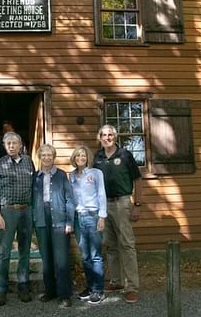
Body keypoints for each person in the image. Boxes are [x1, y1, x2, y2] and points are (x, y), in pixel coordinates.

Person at [93, 125, 144, 303]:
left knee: (127, 245)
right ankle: (116, 281)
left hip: (122, 203)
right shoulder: (97, 157)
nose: (107, 138)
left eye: (110, 135)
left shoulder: (125, 155)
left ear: (115, 137)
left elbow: (138, 180)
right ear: (99, 137)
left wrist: (137, 204)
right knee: (110, 244)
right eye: (104, 135)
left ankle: (132, 287)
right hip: (104, 205)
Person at [0, 132, 36, 306]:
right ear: (4, 145)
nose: (11, 146)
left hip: (26, 211)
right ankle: (1, 288)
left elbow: (34, 187)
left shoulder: (28, 162)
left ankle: (23, 284)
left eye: (14, 143)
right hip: (6, 213)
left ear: (20, 145)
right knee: (4, 252)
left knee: (25, 250)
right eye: (8, 143)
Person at [32, 144, 76, 308]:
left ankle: (64, 294)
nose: (46, 157)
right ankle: (50, 291)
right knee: (47, 258)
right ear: (40, 157)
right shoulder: (35, 177)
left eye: (49, 154)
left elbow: (70, 200)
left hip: (59, 218)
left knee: (62, 259)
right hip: (41, 220)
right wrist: (33, 222)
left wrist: (69, 222)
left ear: (54, 156)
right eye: (43, 155)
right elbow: (32, 201)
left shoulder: (61, 175)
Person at [69, 145, 107, 305]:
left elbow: (101, 194)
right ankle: (90, 287)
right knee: (85, 256)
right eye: (78, 156)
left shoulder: (96, 173)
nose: (80, 159)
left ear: (88, 158)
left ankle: (98, 290)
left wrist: (102, 216)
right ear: (74, 159)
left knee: (95, 255)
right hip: (79, 218)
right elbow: (70, 199)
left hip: (93, 216)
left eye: (83, 156)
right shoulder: (71, 176)